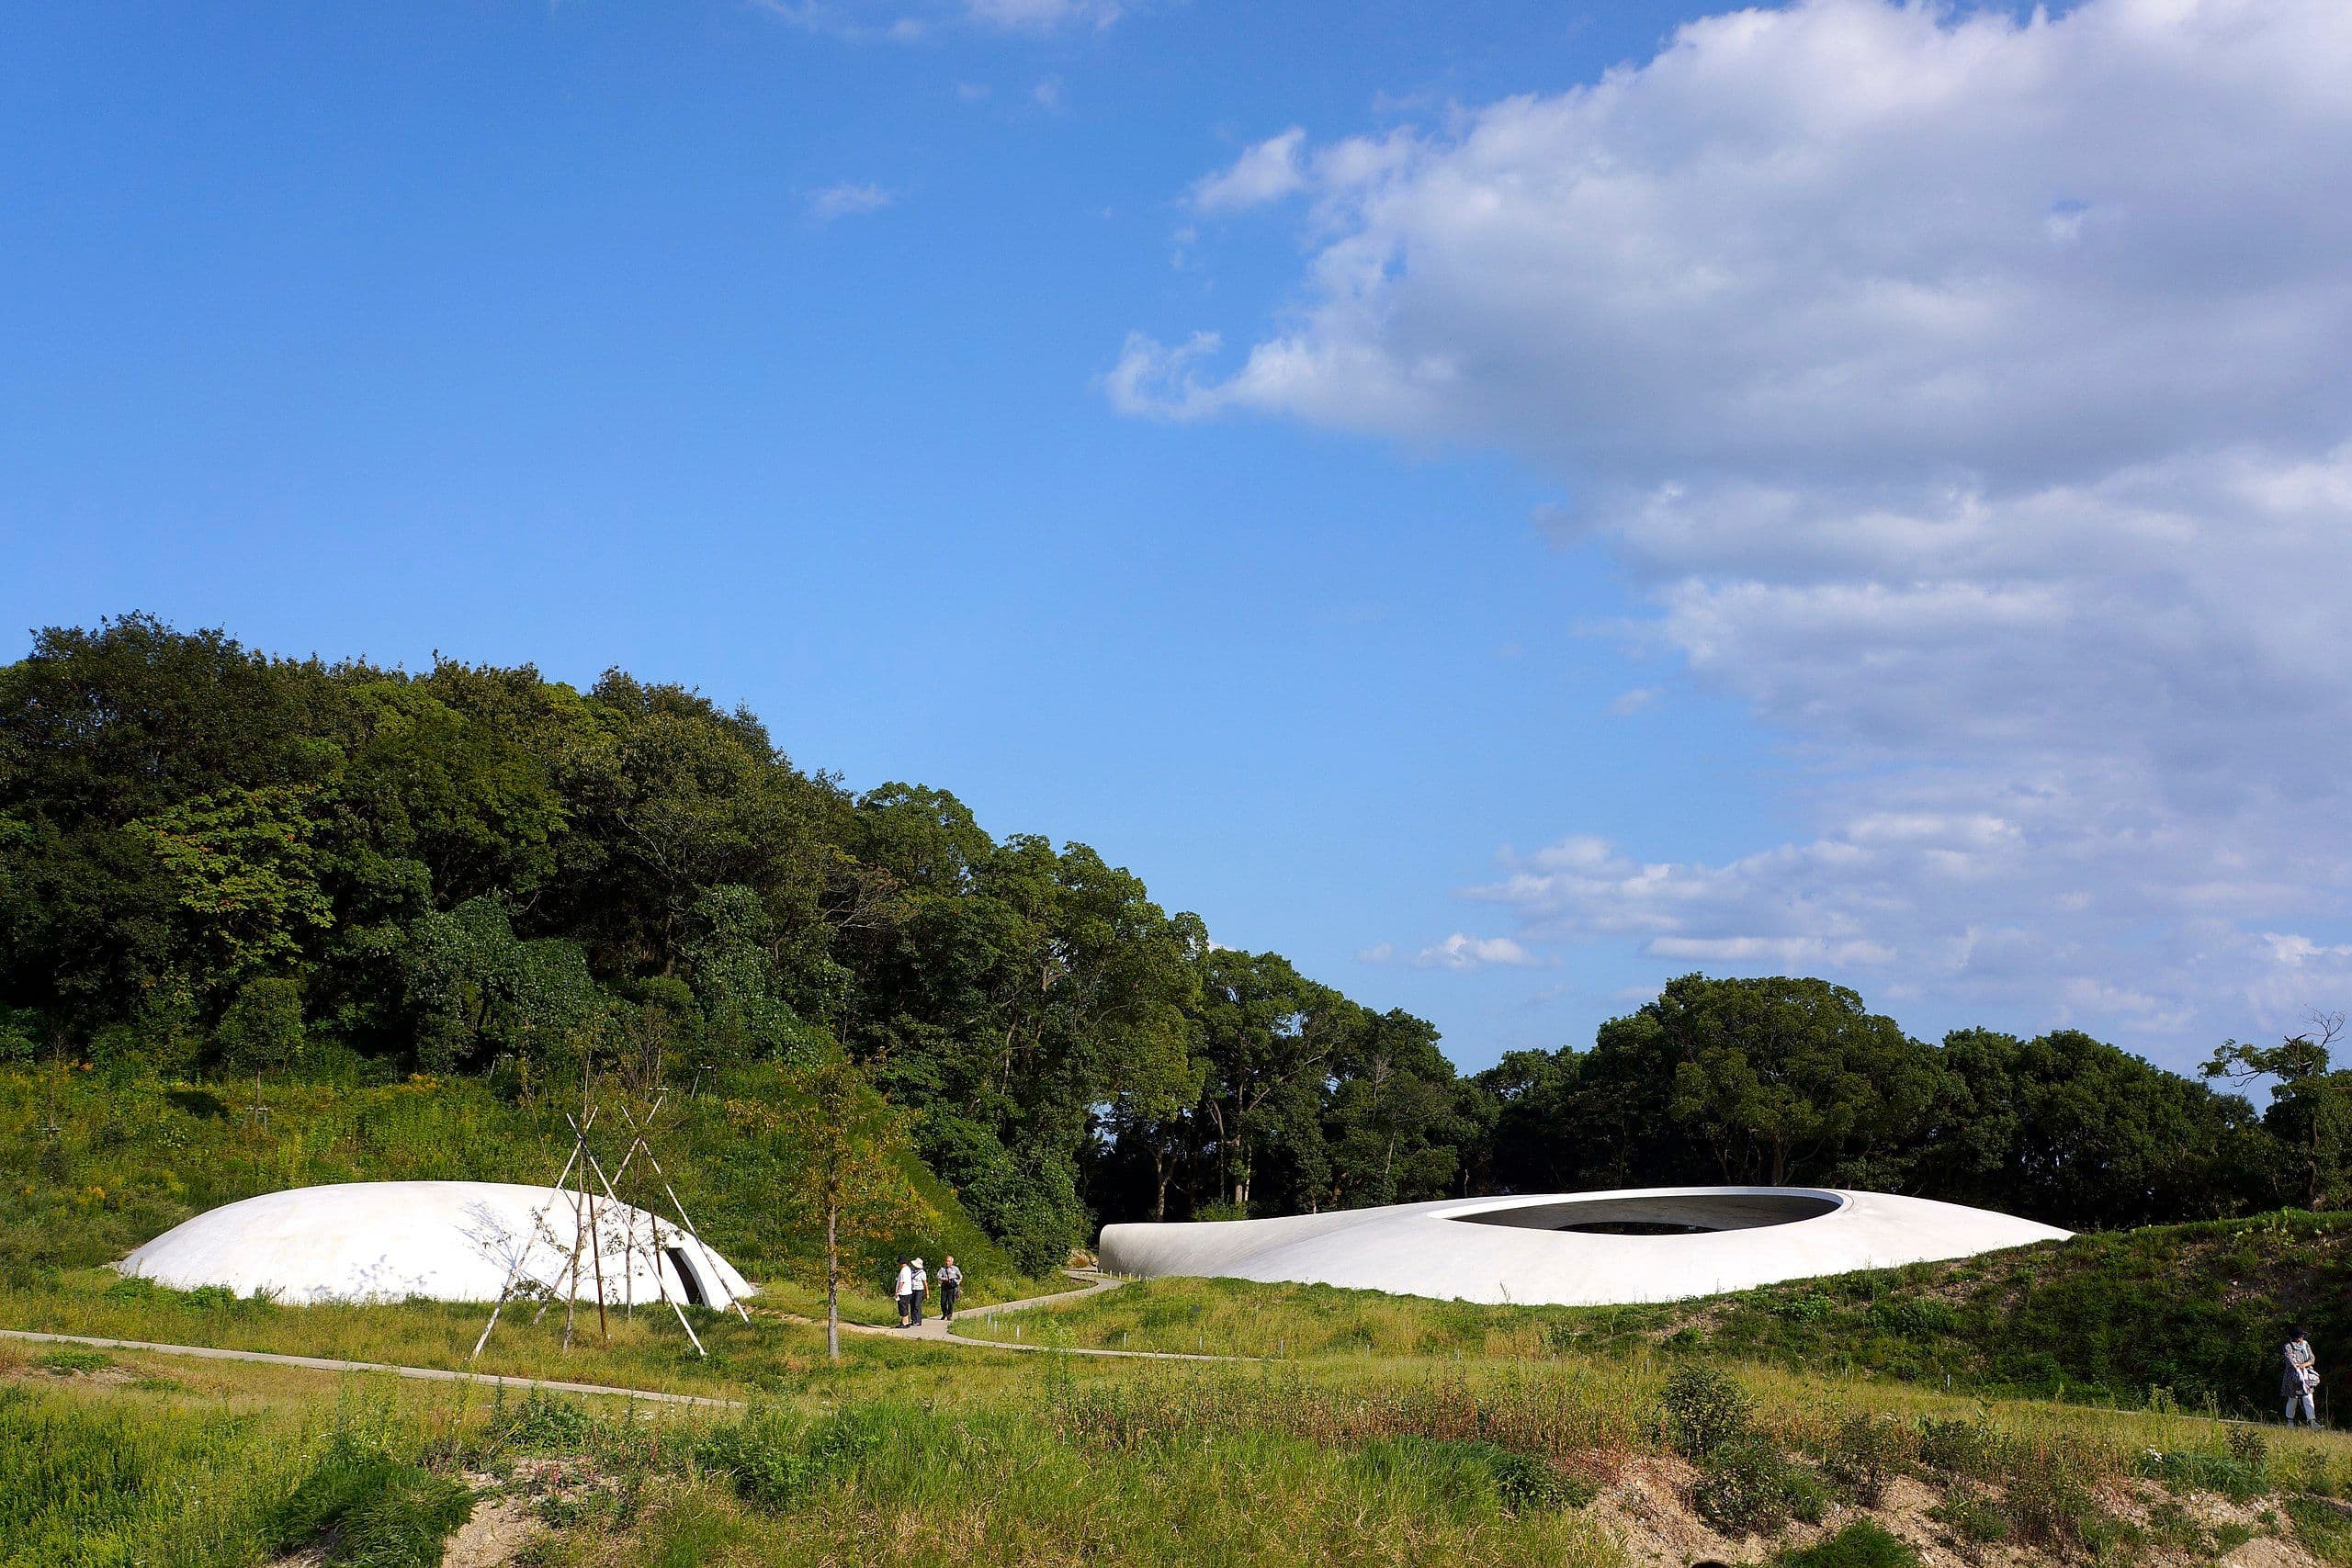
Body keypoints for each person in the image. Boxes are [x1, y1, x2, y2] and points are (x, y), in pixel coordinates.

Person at [2285, 1327, 2321, 1427]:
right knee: (2293, 1398)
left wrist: (2304, 1365)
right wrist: (2297, 1367)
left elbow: (2312, 1358)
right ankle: (2290, 1421)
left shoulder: (2305, 1344)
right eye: (2300, 1335)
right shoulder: (2288, 1346)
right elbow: (2290, 1360)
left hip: (2306, 1373)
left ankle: (2312, 1421)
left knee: (2308, 1396)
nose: (2302, 1337)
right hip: (2293, 1375)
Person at [938, 1255, 963, 1321]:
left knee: (951, 1301)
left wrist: (958, 1282)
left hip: (952, 1287)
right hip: (944, 1286)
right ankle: (944, 1313)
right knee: (943, 1302)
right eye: (946, 1261)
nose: (947, 1262)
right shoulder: (942, 1269)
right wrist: (944, 1279)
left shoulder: (955, 1268)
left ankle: (949, 1315)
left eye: (948, 1261)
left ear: (952, 1262)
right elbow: (938, 1277)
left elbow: (960, 1276)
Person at [894, 1257, 913, 1328]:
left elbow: (902, 1282)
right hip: (908, 1291)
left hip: (903, 1292)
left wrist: (898, 1291)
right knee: (905, 1306)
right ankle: (906, 1321)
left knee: (902, 1307)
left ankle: (904, 1323)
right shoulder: (908, 1269)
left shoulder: (903, 1271)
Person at [910, 1257, 928, 1326]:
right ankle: (913, 1320)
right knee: (912, 1305)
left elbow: (925, 1283)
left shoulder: (922, 1273)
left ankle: (918, 1320)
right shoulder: (912, 1271)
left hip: (919, 1290)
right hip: (912, 1290)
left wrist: (927, 1293)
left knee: (917, 1305)